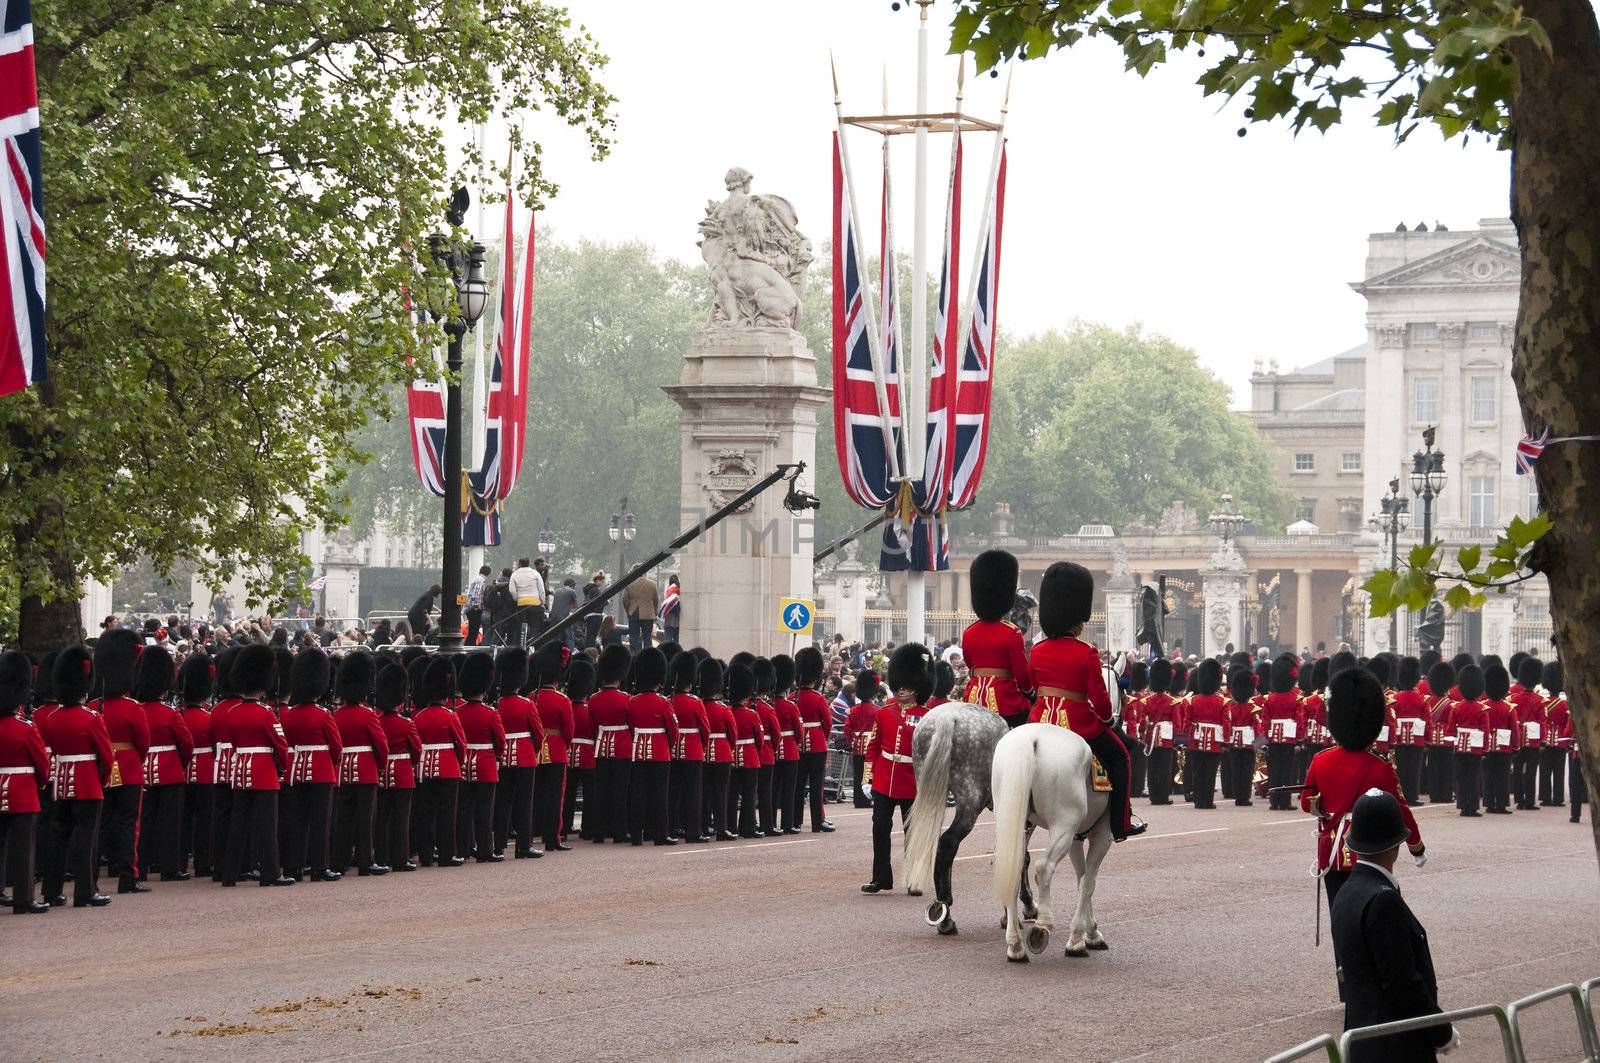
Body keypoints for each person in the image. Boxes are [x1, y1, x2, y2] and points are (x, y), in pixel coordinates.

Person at [1330, 789, 1455, 1063]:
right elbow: (1402, 982)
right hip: (1394, 1046)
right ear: (1396, 845)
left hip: (1362, 1038)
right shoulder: (1382, 898)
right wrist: (1441, 1031)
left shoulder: (1347, 891)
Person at [1027, 562, 1142, 841]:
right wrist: (1107, 718)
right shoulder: (1086, 652)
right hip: (1078, 723)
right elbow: (1100, 700)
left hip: (1040, 720)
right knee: (1121, 755)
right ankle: (1121, 822)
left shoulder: (1038, 650)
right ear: (1076, 619)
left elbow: (1033, 687)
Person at [1300, 665, 1424, 916]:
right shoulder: (1380, 767)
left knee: (1339, 916)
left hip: (1333, 852)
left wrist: (1323, 806)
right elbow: (1401, 811)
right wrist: (1416, 846)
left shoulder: (1321, 761)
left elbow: (1307, 802)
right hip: (1370, 852)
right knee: (1373, 914)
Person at [39, 647, 114, 907]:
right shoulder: (91, 718)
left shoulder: (51, 718)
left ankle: (51, 891)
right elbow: (106, 756)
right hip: (87, 783)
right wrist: (102, 780)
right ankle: (85, 891)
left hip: (61, 784)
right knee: (85, 840)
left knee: (58, 839)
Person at [220, 643, 294, 888]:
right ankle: (270, 873)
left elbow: (232, 742)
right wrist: (282, 767)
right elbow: (281, 746)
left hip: (241, 770)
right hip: (263, 772)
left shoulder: (232, 712)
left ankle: (229, 873)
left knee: (237, 824)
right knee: (266, 826)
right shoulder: (266, 714)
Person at [861, 644, 928, 894]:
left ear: (916, 689)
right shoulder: (884, 713)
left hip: (912, 780)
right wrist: (867, 778)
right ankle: (881, 878)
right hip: (883, 778)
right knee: (880, 827)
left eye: (907, 687)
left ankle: (913, 879)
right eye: (899, 686)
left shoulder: (925, 715)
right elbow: (873, 747)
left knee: (913, 832)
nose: (902, 690)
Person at [92, 629, 151, 895]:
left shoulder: (93, 707)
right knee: (128, 825)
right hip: (128, 769)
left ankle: (92, 876)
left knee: (100, 825)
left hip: (98, 771)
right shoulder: (132, 707)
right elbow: (143, 743)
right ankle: (127, 877)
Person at [279, 648, 343, 882]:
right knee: (320, 822)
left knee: (297, 820)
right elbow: (336, 747)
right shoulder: (324, 714)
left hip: (296, 770)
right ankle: (318, 867)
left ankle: (294, 866)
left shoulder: (289, 715)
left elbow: (285, 742)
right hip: (321, 771)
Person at [135, 645, 194, 882]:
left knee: (145, 821)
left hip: (142, 770)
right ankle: (169, 867)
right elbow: (186, 746)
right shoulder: (170, 714)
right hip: (170, 771)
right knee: (170, 821)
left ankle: (142, 864)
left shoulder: (137, 710)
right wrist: (179, 763)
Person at [959, 550, 1035, 728]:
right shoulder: (1011, 632)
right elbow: (1021, 673)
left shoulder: (970, 631)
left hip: (973, 695)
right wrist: (1029, 692)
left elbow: (971, 664)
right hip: (1004, 699)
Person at [330, 651, 389, 877]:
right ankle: (366, 861)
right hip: (366, 770)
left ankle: (339, 861)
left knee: (343, 817)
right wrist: (381, 765)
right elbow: (381, 746)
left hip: (343, 770)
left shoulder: (336, 714)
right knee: (366, 818)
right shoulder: (368, 715)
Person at [0, 650, 50, 913]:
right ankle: (23, 898)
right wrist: (41, 783)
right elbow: (42, 764)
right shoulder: (25, 728)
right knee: (23, 848)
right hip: (22, 792)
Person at [412, 657, 467, 867]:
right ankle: (446, 855)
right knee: (447, 814)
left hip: (424, 768)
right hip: (448, 768)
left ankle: (425, 855)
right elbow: (461, 745)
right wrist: (457, 763)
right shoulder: (450, 716)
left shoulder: (418, 716)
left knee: (425, 813)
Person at [454, 652, 505, 863]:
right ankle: (485, 850)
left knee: (464, 808)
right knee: (485, 809)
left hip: (464, 763)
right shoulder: (490, 713)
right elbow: (500, 742)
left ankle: (464, 848)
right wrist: (498, 757)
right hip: (485, 763)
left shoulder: (457, 711)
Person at [491, 648, 543, 858]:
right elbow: (538, 734)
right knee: (524, 802)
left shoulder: (497, 705)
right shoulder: (527, 704)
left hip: (503, 758)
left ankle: (499, 844)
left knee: (502, 802)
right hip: (524, 756)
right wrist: (534, 751)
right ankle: (523, 846)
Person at [625, 648, 678, 846]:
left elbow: (630, 726)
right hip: (660, 751)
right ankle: (660, 835)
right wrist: (668, 746)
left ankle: (636, 835)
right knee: (659, 795)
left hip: (638, 751)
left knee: (638, 793)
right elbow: (673, 731)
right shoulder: (663, 703)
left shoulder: (633, 702)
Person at [373, 663, 420, 872]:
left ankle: (381, 857)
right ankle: (399, 859)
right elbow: (417, 750)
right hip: (402, 773)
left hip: (381, 774)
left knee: (381, 818)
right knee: (401, 819)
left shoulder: (376, 720)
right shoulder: (406, 723)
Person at [588, 645, 634, 844]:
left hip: (601, 747)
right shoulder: (626, 699)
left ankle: (599, 830)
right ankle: (619, 831)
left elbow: (592, 727)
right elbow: (632, 725)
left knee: (601, 791)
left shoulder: (594, 699)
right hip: (622, 748)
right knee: (619, 791)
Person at [532, 642, 574, 852]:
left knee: (535, 794)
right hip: (556, 751)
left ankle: (533, 832)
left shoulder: (532, 697)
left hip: (534, 750)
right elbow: (569, 731)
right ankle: (552, 838)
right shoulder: (562, 700)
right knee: (554, 796)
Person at [791, 647, 835, 833]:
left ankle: (796, 820)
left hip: (798, 746)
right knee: (817, 786)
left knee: (798, 785)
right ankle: (818, 821)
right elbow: (828, 723)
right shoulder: (818, 699)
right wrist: (822, 739)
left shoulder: (793, 698)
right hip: (817, 745)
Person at [666, 651, 709, 842]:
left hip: (672, 751)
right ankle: (693, 831)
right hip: (693, 751)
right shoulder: (695, 702)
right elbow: (705, 729)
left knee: (673, 792)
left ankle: (672, 828)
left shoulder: (669, 700)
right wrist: (702, 747)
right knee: (693, 793)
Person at [699, 659, 736, 841]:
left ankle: (704, 827)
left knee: (704, 793)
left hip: (703, 754)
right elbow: (732, 735)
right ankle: (721, 829)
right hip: (722, 754)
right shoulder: (723, 710)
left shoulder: (699, 706)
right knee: (721, 794)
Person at [1184, 658, 1226, 810]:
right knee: (1210, 772)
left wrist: (1186, 739)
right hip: (1214, 740)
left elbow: (1187, 722)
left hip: (1196, 739)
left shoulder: (1192, 701)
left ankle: (1198, 801)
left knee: (1197, 771)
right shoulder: (1222, 702)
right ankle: (1207, 801)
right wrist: (1226, 741)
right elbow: (1225, 723)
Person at [1448, 664, 1489, 817]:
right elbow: (1485, 730)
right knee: (1474, 777)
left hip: (1460, 747)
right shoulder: (1482, 709)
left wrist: (1453, 743)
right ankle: (1473, 807)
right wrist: (1485, 749)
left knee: (1462, 777)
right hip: (1476, 747)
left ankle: (1463, 806)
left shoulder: (1456, 707)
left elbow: (1450, 729)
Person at [1482, 663, 1518, 815]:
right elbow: (1514, 730)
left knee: (1488, 774)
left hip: (1488, 746)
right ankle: (1502, 804)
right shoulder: (1509, 708)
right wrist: (1515, 747)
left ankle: (1489, 803)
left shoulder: (1483, 706)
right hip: (1504, 746)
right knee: (1502, 776)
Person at [1510, 656, 1546, 810]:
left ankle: (1519, 799)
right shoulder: (1540, 700)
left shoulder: (1514, 698)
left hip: (1518, 739)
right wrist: (1543, 741)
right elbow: (1542, 722)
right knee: (1531, 771)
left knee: (1517, 770)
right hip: (1532, 740)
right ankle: (1530, 801)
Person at [1143, 658, 1178, 805]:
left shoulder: (1146, 701)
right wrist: (1180, 742)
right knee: (1165, 767)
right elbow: (1178, 723)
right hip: (1166, 737)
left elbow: (1141, 721)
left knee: (1152, 767)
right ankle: (1163, 796)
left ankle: (1153, 796)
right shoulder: (1173, 701)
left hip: (1151, 737)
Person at [1224, 665, 1257, 806]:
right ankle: (1244, 797)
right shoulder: (1253, 708)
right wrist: (1260, 745)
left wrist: (1226, 742)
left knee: (1236, 768)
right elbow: (1258, 727)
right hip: (1249, 742)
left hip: (1234, 741)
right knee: (1247, 769)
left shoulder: (1231, 707)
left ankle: (1238, 796)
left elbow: (1227, 724)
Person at [509, 558, 547, 649]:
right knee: (535, 626)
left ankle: (522, 646)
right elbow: (541, 589)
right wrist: (542, 601)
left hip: (521, 603)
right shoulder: (535, 573)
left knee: (522, 626)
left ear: (519, 564)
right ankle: (534, 646)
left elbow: (512, 590)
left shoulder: (515, 574)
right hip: (535, 602)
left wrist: (517, 599)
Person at [622, 573, 661, 651]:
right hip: (648, 614)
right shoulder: (652, 584)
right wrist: (654, 612)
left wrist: (628, 610)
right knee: (647, 637)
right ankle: (646, 656)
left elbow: (625, 599)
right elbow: (656, 600)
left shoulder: (629, 584)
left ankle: (634, 655)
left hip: (633, 612)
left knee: (633, 636)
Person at [484, 568, 515, 647]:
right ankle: (495, 649)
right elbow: (511, 600)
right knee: (500, 633)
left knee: (495, 633)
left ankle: (490, 648)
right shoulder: (508, 585)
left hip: (494, 613)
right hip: (504, 614)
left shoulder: (495, 583)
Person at [549, 578, 582, 650]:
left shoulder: (557, 591)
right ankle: (570, 653)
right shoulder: (572, 591)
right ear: (572, 585)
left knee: (555, 636)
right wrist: (569, 606)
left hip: (553, 617)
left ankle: (553, 651)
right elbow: (576, 605)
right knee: (569, 636)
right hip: (563, 616)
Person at [465, 565, 491, 646]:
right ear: (488, 573)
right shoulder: (480, 580)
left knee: (473, 630)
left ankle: (469, 646)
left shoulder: (477, 579)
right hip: (474, 609)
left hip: (470, 608)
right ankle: (469, 647)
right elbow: (476, 594)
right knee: (474, 631)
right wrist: (476, 606)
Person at [582, 572, 608, 649]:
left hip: (589, 615)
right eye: (602, 582)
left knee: (589, 636)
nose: (602, 584)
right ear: (597, 580)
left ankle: (587, 651)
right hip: (595, 616)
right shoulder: (595, 590)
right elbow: (597, 603)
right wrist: (606, 602)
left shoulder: (590, 590)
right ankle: (590, 652)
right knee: (592, 637)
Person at [660, 575, 681, 647]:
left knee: (667, 639)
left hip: (669, 618)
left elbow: (667, 604)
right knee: (677, 640)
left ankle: (666, 653)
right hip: (678, 618)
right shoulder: (679, 588)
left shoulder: (670, 589)